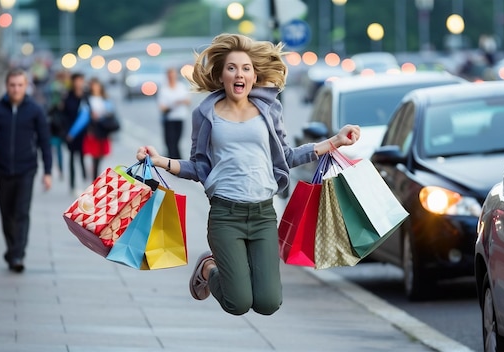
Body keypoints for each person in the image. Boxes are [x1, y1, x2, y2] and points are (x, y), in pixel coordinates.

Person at [136, 34, 360, 316]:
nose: (239, 74)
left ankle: (219, 270)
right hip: (225, 215)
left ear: (254, 76)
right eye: (231, 68)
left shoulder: (269, 110)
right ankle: (209, 268)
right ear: (220, 76)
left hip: (263, 215)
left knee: (268, 303)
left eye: (245, 68)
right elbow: (199, 167)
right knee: (237, 303)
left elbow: (287, 156)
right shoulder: (205, 114)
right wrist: (160, 161)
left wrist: (335, 141)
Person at [0, 68, 52, 273]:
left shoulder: (35, 110)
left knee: (21, 213)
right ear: (6, 86)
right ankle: (12, 249)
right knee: (7, 214)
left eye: (20, 85)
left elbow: (44, 142)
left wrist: (47, 172)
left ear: (26, 85)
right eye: (12, 85)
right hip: (1, 170)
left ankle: (18, 254)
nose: (16, 89)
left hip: (26, 169)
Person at [66, 77, 115, 179]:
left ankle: (96, 176)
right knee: (95, 157)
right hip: (94, 132)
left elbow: (111, 114)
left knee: (100, 156)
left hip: (103, 131)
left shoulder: (105, 99)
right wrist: (73, 132)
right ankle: (94, 178)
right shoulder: (88, 101)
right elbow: (82, 119)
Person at [157, 67, 191, 159]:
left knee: (177, 140)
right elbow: (162, 107)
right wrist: (173, 104)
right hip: (169, 118)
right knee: (170, 141)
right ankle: (172, 159)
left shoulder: (181, 87)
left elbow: (188, 101)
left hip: (179, 117)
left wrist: (180, 102)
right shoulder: (164, 89)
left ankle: (177, 160)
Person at [62, 72, 87, 193]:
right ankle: (72, 184)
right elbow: (64, 115)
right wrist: (67, 132)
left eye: (81, 80)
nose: (79, 83)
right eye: (77, 80)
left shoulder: (86, 96)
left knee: (83, 156)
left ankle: (85, 180)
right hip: (71, 133)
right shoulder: (68, 97)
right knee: (72, 157)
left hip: (85, 133)